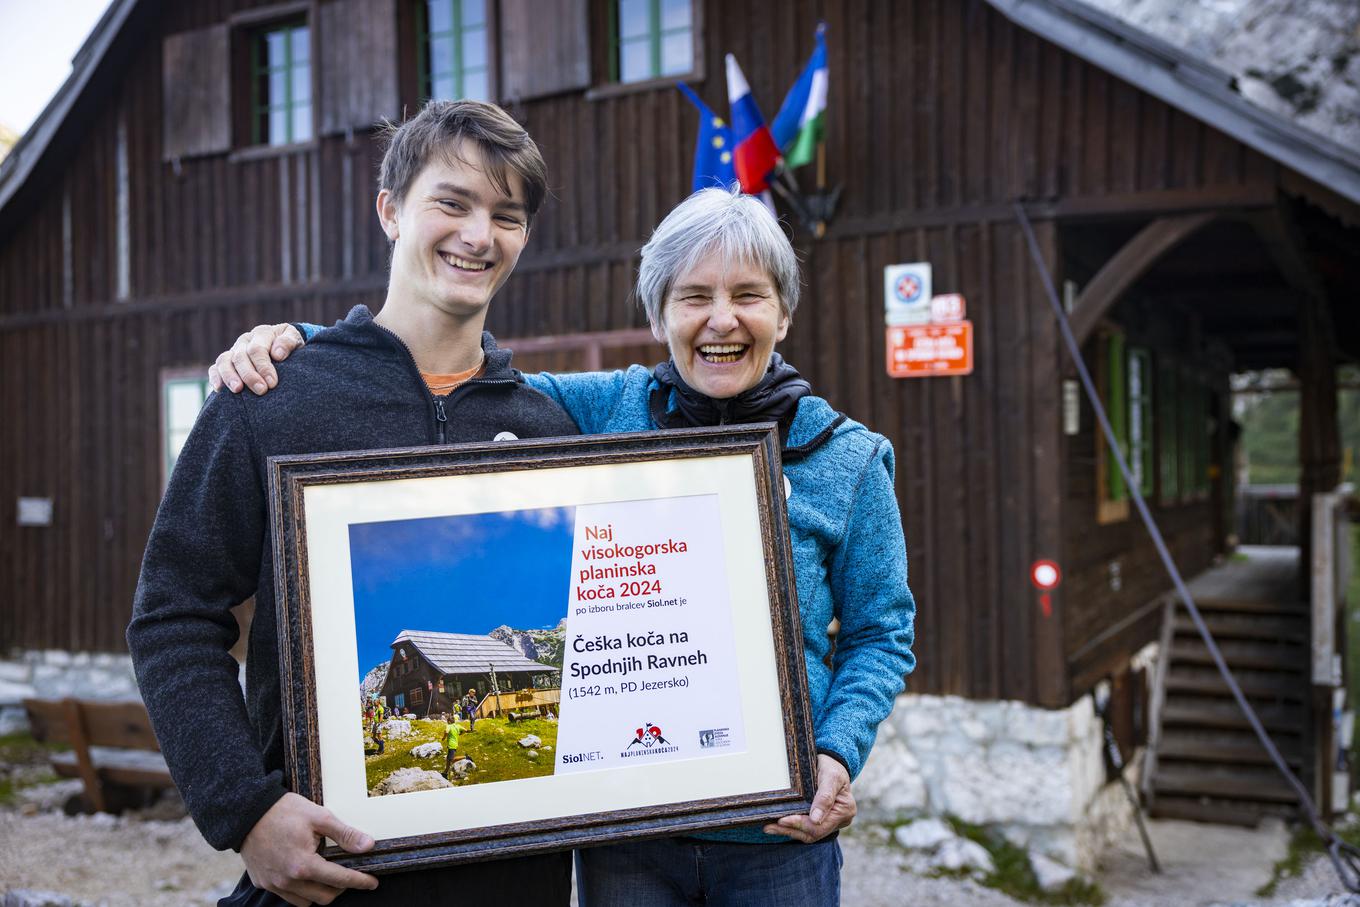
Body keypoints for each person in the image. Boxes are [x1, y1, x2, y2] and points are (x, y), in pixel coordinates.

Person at [211, 185, 916, 906]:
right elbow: (451, 378)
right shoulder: (608, 408)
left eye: (749, 295)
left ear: (784, 310)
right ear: (658, 313)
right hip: (631, 843)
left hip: (780, 837)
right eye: (694, 296)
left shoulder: (846, 459)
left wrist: (836, 748)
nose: (722, 319)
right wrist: (302, 344)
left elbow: (881, 632)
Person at [127, 99, 578, 907]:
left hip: (517, 881)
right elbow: (172, 613)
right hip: (328, 883)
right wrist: (247, 808)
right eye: (453, 202)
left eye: (506, 216)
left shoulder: (545, 423)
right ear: (390, 210)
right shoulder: (270, 395)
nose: (480, 234)